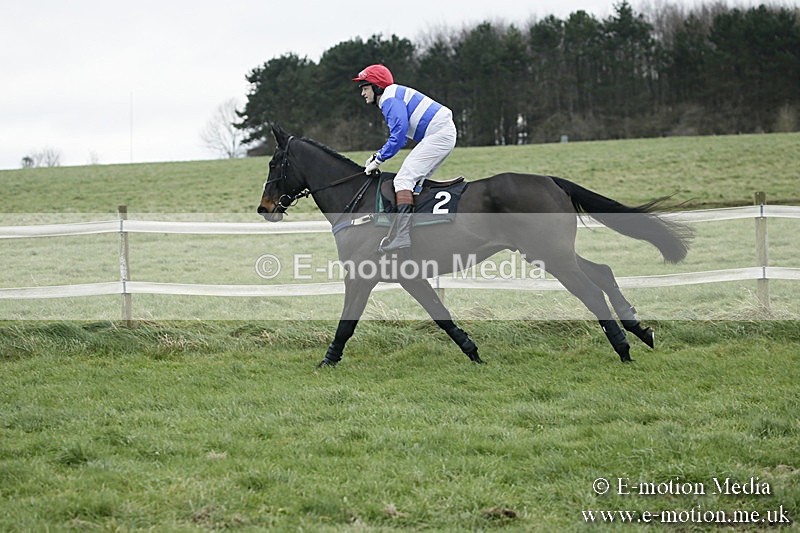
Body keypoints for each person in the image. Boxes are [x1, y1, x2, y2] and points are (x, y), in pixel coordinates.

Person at [353, 64, 457, 254]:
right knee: (415, 183)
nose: (362, 93)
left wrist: (378, 158)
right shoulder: (392, 96)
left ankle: (402, 236)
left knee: (403, 179)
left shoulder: (389, 99)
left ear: (377, 87)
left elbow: (398, 136)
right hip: (441, 133)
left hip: (439, 134)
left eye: (365, 88)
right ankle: (418, 231)